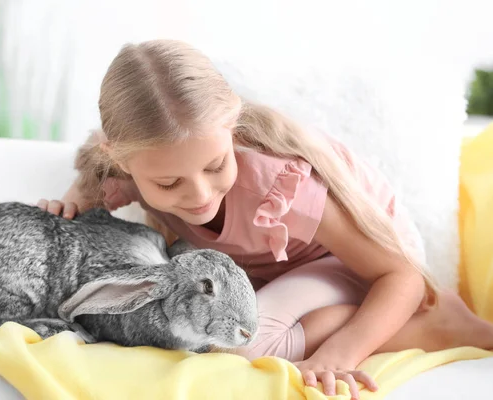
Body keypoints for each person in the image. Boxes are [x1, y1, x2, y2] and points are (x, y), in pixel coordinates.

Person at [37, 39, 493, 400]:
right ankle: (340, 315)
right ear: (121, 161)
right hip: (282, 269)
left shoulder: (276, 190)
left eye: (216, 167)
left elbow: (401, 274)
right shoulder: (122, 167)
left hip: (360, 266)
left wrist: (341, 352)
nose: (199, 196)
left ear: (231, 128)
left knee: (240, 344)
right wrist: (71, 204)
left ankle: (434, 322)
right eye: (170, 184)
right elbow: (93, 175)